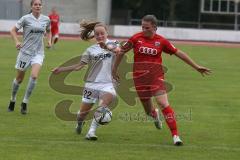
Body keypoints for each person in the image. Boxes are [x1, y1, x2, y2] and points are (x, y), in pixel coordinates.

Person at [111, 15, 211, 146]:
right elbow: (121, 52)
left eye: (147, 27)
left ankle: (175, 136)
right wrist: (114, 70)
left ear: (154, 27)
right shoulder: (136, 38)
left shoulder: (162, 41)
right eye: (142, 27)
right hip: (139, 79)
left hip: (156, 76)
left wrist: (196, 66)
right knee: (148, 111)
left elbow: (178, 53)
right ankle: (154, 115)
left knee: (162, 103)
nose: (144, 30)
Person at [52, 21, 118, 140]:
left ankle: (91, 132)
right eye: (97, 34)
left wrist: (106, 47)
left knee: (101, 107)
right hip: (91, 84)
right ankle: (79, 123)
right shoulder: (90, 50)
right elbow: (79, 66)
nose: (100, 36)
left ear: (106, 33)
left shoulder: (114, 44)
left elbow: (118, 51)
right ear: (94, 36)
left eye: (102, 33)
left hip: (108, 84)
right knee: (82, 115)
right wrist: (61, 69)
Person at [7, 0, 51, 114]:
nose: (38, 6)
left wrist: (49, 41)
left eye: (39, 4)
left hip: (38, 53)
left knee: (34, 76)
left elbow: (49, 31)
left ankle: (25, 102)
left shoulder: (46, 19)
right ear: (31, 6)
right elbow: (12, 30)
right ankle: (13, 99)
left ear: (42, 6)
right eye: (35, 4)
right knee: (19, 79)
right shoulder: (25, 18)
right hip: (25, 53)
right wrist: (17, 42)